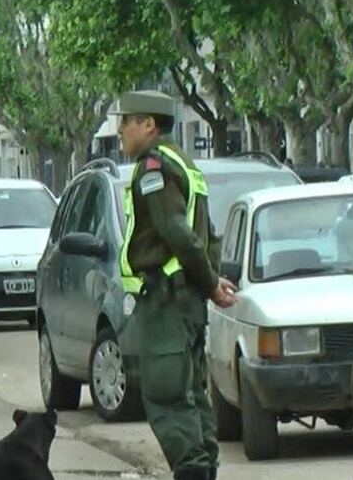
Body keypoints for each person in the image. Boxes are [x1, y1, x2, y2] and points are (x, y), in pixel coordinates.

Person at [111, 90, 238, 480]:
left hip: (166, 299)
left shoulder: (153, 168)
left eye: (126, 122)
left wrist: (212, 283)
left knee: (167, 398)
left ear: (148, 125)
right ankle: (204, 469)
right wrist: (209, 280)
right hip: (185, 298)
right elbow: (209, 235)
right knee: (191, 397)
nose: (119, 131)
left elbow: (179, 234)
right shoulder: (184, 164)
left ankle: (195, 473)